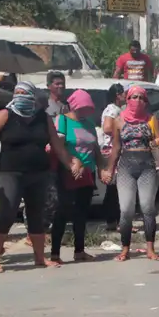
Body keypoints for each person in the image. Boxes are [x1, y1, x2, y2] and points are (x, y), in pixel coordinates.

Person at [0, 82, 83, 273]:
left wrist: (70, 164)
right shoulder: (4, 115)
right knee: (6, 215)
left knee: (36, 216)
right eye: (16, 93)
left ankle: (40, 258)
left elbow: (57, 147)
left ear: (32, 96)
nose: (20, 96)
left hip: (38, 173)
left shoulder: (43, 117)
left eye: (24, 93)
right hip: (11, 172)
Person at [105, 85, 159, 262]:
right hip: (126, 167)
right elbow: (116, 147)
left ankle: (150, 248)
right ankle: (125, 249)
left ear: (146, 101)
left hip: (146, 166)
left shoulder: (151, 119)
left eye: (141, 98)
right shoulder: (119, 121)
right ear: (128, 100)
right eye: (134, 97)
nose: (138, 101)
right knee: (125, 210)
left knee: (148, 208)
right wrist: (109, 169)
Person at [50, 90, 109, 264]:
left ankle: (79, 250)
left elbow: (95, 149)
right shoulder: (63, 120)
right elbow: (58, 146)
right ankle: (54, 253)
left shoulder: (89, 123)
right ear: (74, 105)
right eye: (82, 108)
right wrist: (72, 163)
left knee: (81, 213)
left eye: (88, 108)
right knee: (62, 212)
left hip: (87, 173)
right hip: (68, 172)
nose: (85, 112)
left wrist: (100, 168)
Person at [99, 82, 126, 232]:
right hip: (112, 150)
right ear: (118, 95)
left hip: (115, 149)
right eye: (124, 94)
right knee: (114, 188)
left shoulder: (117, 109)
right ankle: (112, 220)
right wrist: (123, 130)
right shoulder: (112, 110)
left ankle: (114, 220)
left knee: (115, 188)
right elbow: (108, 128)